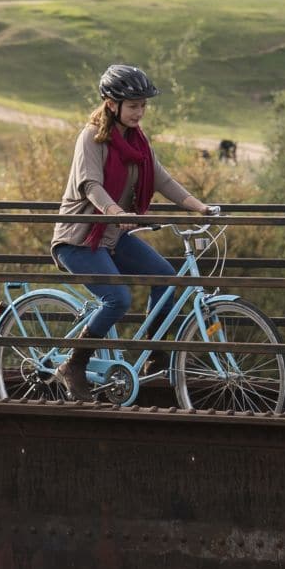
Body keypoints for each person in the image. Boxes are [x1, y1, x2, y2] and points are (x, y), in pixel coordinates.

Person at [50, 63, 220, 401]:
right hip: (80, 239)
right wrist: (115, 212)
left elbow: (162, 179)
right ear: (111, 105)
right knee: (118, 298)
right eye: (133, 106)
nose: (139, 112)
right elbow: (90, 185)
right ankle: (74, 363)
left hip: (111, 237)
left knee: (167, 278)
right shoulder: (92, 137)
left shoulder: (138, 143)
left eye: (143, 105)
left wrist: (200, 207)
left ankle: (153, 349)